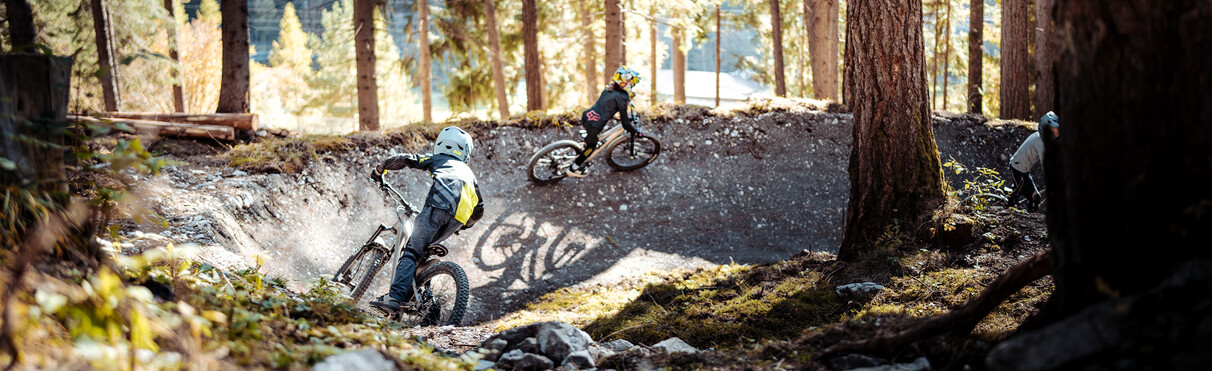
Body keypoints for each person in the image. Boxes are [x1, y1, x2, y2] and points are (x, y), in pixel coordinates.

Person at [369, 126, 484, 314]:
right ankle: (418, 290)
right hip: (459, 217)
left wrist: (380, 169)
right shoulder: (470, 175)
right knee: (421, 253)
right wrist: (463, 226)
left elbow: (407, 160)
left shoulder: (439, 159)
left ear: (441, 144)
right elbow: (479, 210)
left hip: (437, 206)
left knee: (412, 252)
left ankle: (395, 298)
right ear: (465, 152)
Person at [565, 66, 644, 178]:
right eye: (632, 83)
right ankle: (574, 168)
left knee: (592, 137)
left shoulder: (609, 89)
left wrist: (627, 98)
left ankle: (587, 139)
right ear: (626, 84)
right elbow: (625, 123)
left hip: (587, 116)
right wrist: (635, 132)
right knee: (591, 147)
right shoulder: (622, 98)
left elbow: (610, 102)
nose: (633, 85)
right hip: (594, 125)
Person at [1008, 111, 1059, 212]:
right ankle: (1030, 220)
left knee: (1022, 192)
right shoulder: (1040, 143)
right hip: (1018, 169)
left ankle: (1012, 200)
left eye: (1058, 131)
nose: (1056, 134)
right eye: (1053, 131)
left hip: (1023, 169)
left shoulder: (1039, 137)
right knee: (1035, 197)